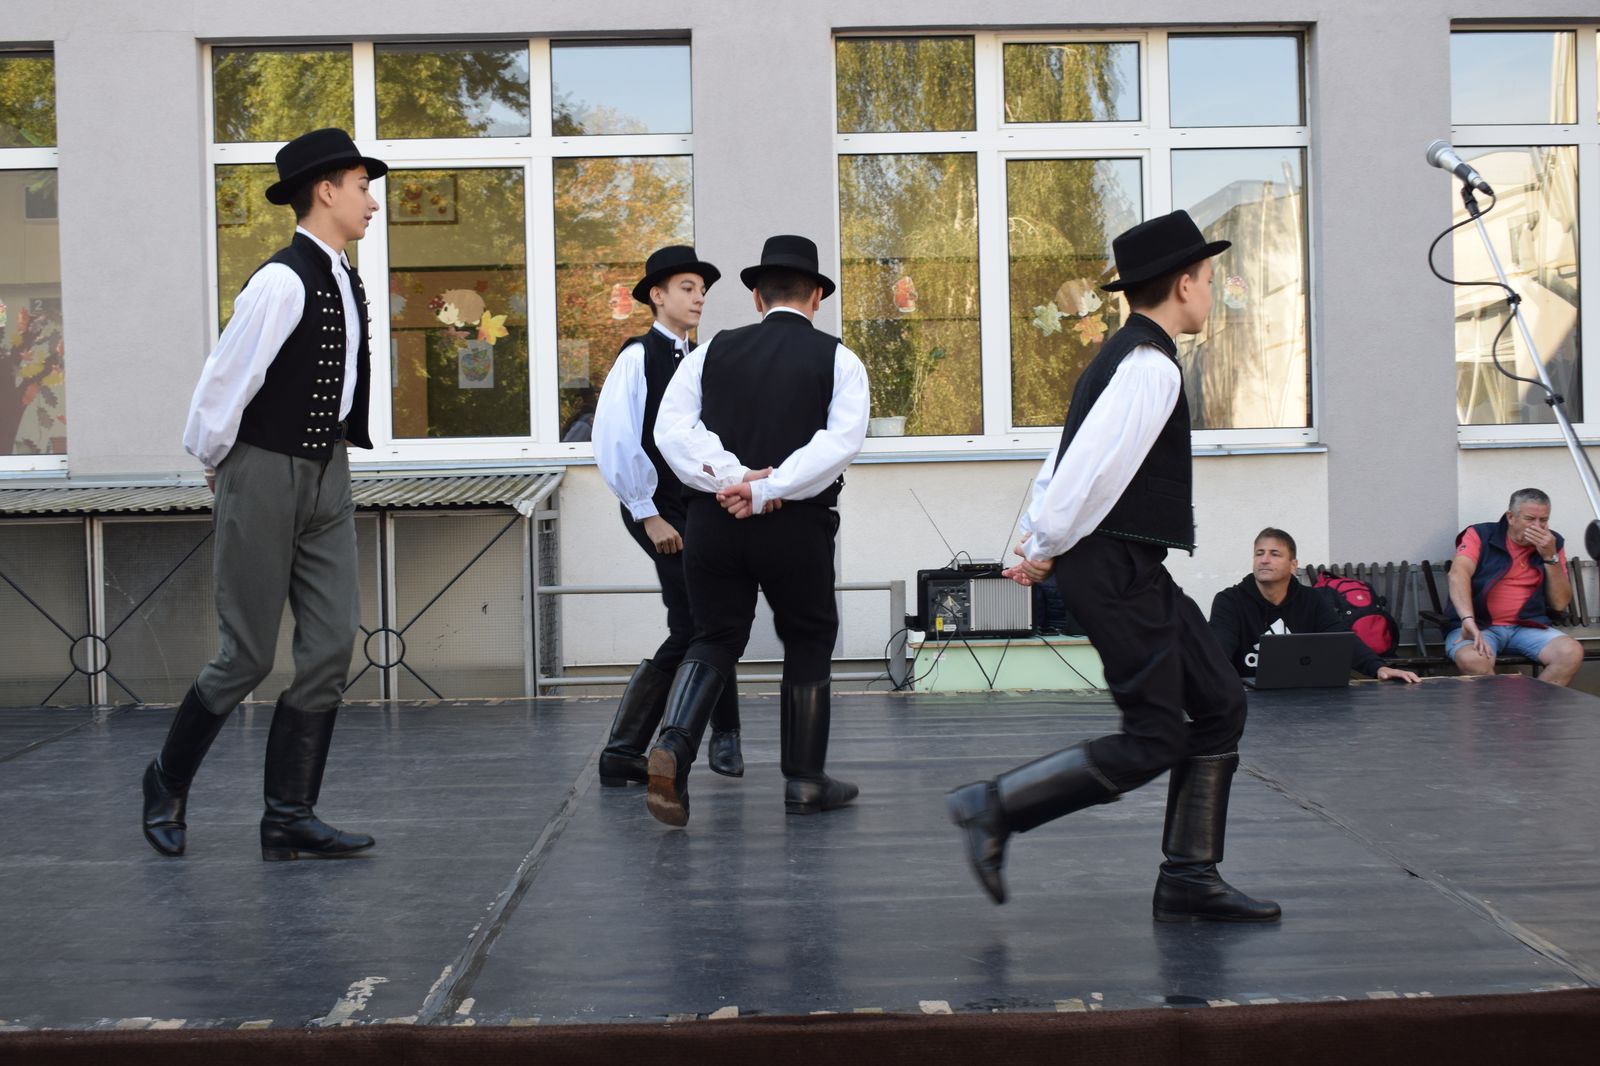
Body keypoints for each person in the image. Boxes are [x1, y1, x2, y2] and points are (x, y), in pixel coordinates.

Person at [946, 210, 1280, 922]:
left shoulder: (1129, 359)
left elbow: (1065, 458)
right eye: (1208, 280)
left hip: (1130, 565)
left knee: (1221, 701)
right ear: (1184, 283)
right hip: (1112, 568)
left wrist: (1038, 538)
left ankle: (1190, 875)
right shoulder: (1148, 367)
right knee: (1155, 735)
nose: (1210, 292)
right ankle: (994, 807)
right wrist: (1042, 545)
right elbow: (1089, 472)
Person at [142, 129, 386, 861]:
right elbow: (225, 379)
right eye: (362, 187)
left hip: (328, 471)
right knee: (245, 655)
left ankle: (288, 816)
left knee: (331, 645)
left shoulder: (344, 277)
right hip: (264, 470)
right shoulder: (282, 280)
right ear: (326, 191)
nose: (372, 202)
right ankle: (165, 780)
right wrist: (221, 461)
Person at [644, 234, 868, 826]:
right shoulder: (840, 359)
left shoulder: (709, 353)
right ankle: (805, 781)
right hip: (796, 525)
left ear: (756, 297)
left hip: (713, 521)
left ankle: (673, 747)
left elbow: (672, 432)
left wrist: (733, 478)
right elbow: (838, 445)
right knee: (809, 636)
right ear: (816, 296)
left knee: (714, 636)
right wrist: (766, 488)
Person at [591, 246, 743, 787]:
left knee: (704, 620)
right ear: (657, 296)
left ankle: (635, 750)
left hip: (697, 507)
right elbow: (614, 438)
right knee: (700, 622)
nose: (699, 297)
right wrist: (647, 513)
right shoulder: (639, 356)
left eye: (702, 289)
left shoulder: (699, 359)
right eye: (687, 287)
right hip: (658, 507)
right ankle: (709, 738)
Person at [1210, 527, 1421, 684]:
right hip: (1249, 699)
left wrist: (1378, 667)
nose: (1264, 560)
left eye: (1274, 554)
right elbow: (1218, 652)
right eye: (1259, 553)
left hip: (1305, 697)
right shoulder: (1229, 601)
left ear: (1293, 565)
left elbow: (1340, 638)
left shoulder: (1311, 599)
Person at [1444, 488, 1583, 686]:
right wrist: (1467, 619)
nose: (1538, 527)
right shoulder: (1480, 534)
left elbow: (1560, 603)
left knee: (1570, 653)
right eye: (1530, 519)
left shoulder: (1553, 543)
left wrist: (1549, 557)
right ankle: (1497, 707)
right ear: (1511, 517)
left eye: (1543, 520)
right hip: (1480, 625)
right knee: (1473, 660)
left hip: (1528, 626)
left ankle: (1536, 706)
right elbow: (1458, 574)